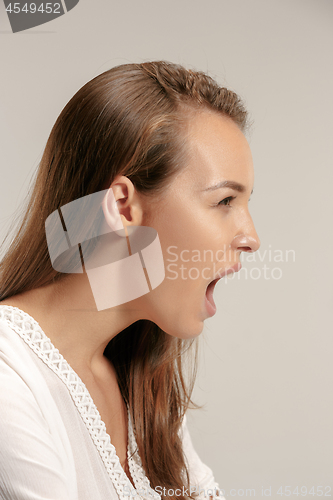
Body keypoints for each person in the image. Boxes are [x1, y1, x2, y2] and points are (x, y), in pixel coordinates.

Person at [0, 60, 260, 500]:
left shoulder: (141, 380)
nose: (251, 238)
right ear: (123, 208)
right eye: (225, 200)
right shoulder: (11, 379)